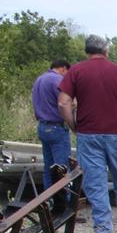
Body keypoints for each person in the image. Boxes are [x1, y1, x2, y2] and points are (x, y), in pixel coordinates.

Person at [58, 35, 117, 233]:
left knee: (96, 186)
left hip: (88, 135)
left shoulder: (76, 71)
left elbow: (63, 103)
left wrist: (74, 127)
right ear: (106, 50)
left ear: (87, 51)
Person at [32, 60, 71, 190]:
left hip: (42, 126)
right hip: (56, 127)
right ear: (63, 68)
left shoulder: (39, 79)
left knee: (48, 167)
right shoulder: (58, 80)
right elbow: (64, 102)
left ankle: (48, 198)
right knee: (62, 168)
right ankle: (63, 200)